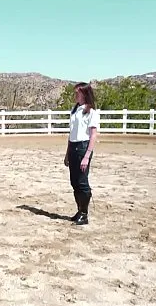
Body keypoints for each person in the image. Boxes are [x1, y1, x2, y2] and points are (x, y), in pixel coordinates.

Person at [64, 81, 100, 225]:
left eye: (77, 93)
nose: (75, 95)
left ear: (84, 94)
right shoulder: (75, 111)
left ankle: (84, 213)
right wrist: (67, 153)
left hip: (83, 147)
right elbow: (71, 134)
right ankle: (79, 210)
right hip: (73, 147)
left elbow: (93, 135)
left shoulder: (91, 112)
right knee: (74, 181)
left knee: (82, 181)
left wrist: (87, 155)